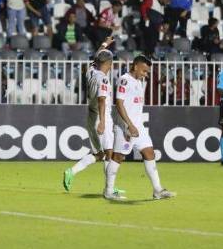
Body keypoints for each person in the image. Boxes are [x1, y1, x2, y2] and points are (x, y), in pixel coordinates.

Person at [107, 55, 175, 201]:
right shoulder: (124, 80)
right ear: (135, 66)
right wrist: (129, 125)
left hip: (138, 127)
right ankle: (109, 191)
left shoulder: (138, 82)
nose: (145, 74)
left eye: (147, 72)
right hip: (125, 127)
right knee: (118, 157)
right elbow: (119, 103)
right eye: (144, 71)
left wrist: (135, 125)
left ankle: (157, 190)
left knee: (149, 153)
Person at [63, 38, 120, 193]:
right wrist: (102, 122)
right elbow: (102, 100)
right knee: (109, 153)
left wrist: (104, 44)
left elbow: (97, 56)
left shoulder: (91, 70)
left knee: (99, 154)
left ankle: (71, 171)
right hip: (101, 116)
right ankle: (110, 188)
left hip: (90, 115)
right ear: (109, 63)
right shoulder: (103, 79)